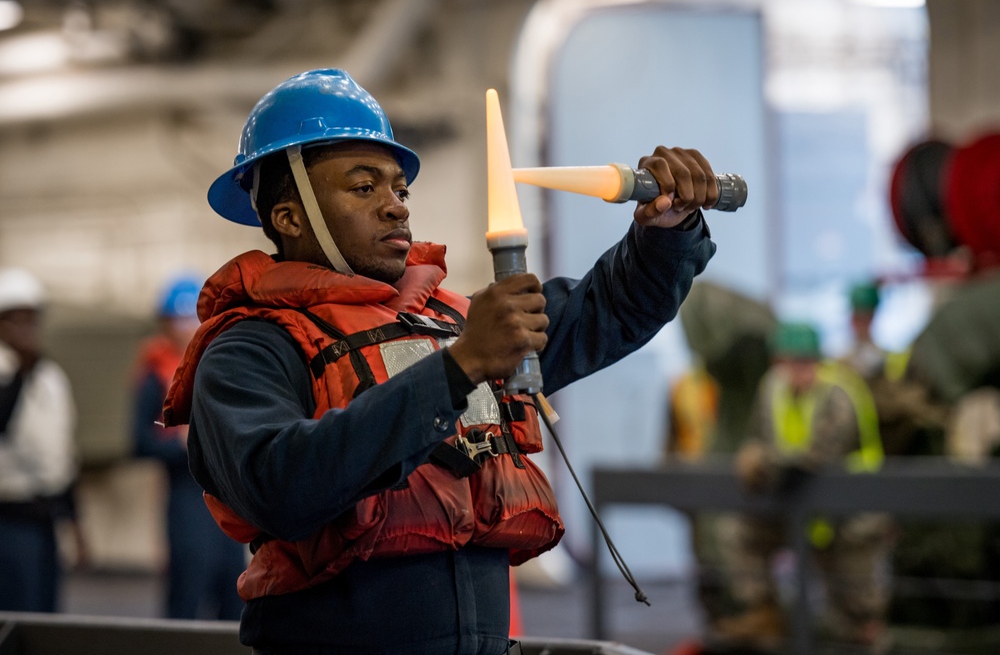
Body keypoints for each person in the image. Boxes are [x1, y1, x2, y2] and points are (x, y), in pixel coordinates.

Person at [162, 68, 718, 654]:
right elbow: (280, 484)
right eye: (363, 187)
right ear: (290, 218)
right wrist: (458, 368)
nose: (396, 208)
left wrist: (666, 228)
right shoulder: (249, 348)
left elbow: (610, 309)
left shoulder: (453, 324)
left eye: (400, 189)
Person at [713, 322, 889, 654]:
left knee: (854, 607)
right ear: (779, 362)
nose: (802, 371)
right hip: (795, 504)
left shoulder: (839, 393)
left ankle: (864, 635)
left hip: (849, 513)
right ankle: (764, 613)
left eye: (809, 362)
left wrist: (761, 461)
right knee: (739, 533)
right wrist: (755, 456)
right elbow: (758, 438)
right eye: (794, 362)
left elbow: (818, 456)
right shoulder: (772, 390)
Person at [131, 274, 245, 620]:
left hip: (227, 498)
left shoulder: (223, 364)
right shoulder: (154, 373)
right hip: (186, 496)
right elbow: (139, 441)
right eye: (177, 319)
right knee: (187, 592)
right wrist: (182, 444)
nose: (184, 327)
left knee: (233, 593)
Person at [0, 267, 80, 612]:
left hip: (47, 516)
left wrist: (76, 522)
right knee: (18, 613)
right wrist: (18, 374)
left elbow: (63, 450)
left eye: (32, 319)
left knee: (47, 615)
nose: (27, 329)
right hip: (10, 517)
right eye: (18, 319)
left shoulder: (50, 377)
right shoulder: (6, 373)